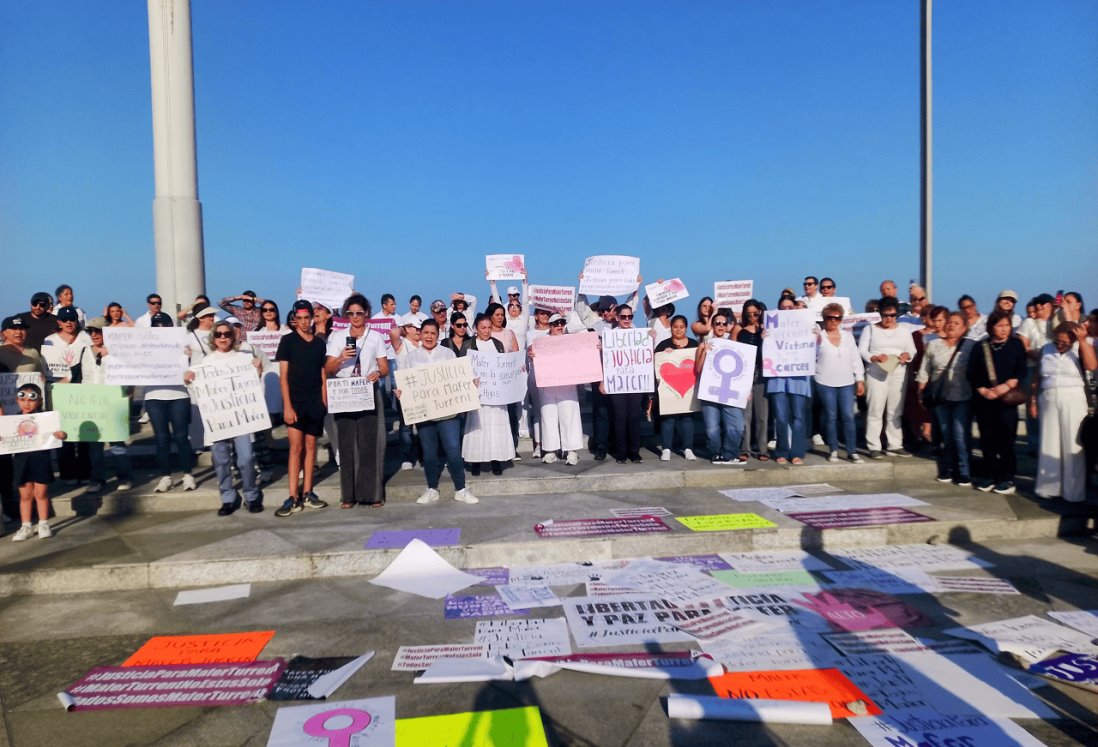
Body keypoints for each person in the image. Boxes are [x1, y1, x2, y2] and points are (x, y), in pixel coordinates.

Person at [184, 321, 264, 515]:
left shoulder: (244, 358)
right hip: (218, 418)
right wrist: (187, 378)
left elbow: (254, 382)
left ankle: (251, 495)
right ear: (213, 338)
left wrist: (258, 370)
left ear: (233, 336)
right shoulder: (206, 362)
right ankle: (227, 496)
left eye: (227, 334)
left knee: (246, 458)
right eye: (218, 334)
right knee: (220, 459)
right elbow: (196, 387)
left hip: (241, 417)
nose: (222, 338)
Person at [396, 319, 478, 505]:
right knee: (429, 452)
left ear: (438, 335)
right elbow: (404, 382)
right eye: (426, 333)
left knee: (453, 450)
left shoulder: (447, 354)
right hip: (424, 413)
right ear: (420, 334)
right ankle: (432, 488)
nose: (429, 337)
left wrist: (469, 384)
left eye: (433, 333)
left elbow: (458, 377)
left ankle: (461, 489)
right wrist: (401, 392)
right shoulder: (411, 357)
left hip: (448, 413)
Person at [324, 293, 388, 509]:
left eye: (359, 313)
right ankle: (348, 495)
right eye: (350, 313)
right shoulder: (337, 336)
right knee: (347, 443)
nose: (354, 317)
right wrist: (341, 357)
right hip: (344, 391)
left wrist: (377, 374)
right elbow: (328, 368)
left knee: (370, 443)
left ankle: (372, 494)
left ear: (367, 313)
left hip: (368, 390)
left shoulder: (376, 336)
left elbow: (385, 367)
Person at [1031, 321, 1097, 502]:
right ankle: (1048, 488)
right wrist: (1033, 401)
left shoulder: (1080, 347)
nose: (1060, 345)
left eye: (1065, 342)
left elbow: (1092, 366)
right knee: (1049, 442)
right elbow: (1037, 376)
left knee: (1072, 446)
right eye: (1058, 341)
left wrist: (1082, 341)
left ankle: (1073, 492)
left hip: (1074, 398)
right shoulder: (1046, 349)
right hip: (1049, 396)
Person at [274, 300, 330, 516]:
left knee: (311, 447)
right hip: (295, 403)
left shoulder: (319, 344)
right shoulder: (287, 341)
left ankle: (308, 492)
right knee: (295, 448)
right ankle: (292, 496)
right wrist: (287, 406)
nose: (305, 322)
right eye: (301, 318)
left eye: (308, 318)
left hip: (315, 402)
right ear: (295, 319)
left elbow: (322, 374)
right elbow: (283, 377)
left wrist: (324, 401)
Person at [967, 309, 1028, 494]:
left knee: (1006, 440)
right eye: (1000, 325)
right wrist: (983, 390)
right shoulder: (981, 346)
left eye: (1007, 325)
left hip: (1006, 400)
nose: (1004, 329)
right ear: (991, 326)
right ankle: (990, 475)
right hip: (985, 401)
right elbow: (972, 372)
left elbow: (1021, 370)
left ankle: (1007, 477)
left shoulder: (1016, 344)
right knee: (987, 439)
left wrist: (1007, 386)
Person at [75, 317, 134, 493]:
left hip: (113, 403)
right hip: (92, 404)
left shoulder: (118, 351)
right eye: (90, 331)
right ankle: (97, 479)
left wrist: (111, 356)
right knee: (95, 446)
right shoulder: (85, 351)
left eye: (98, 331)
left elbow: (127, 375)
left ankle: (124, 476)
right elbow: (82, 376)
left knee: (117, 444)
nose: (94, 335)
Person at [917, 312, 976, 486]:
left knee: (959, 434)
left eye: (956, 323)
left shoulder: (971, 346)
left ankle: (964, 471)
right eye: (949, 322)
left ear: (965, 328)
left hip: (963, 396)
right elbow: (924, 370)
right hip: (940, 396)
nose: (951, 325)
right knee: (945, 434)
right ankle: (947, 468)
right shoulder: (933, 344)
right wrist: (921, 391)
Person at [8, 383, 67, 541]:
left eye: (31, 399)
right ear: (17, 400)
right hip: (21, 460)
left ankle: (43, 523)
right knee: (25, 495)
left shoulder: (47, 419)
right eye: (23, 399)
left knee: (41, 493)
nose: (27, 403)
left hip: (41, 459)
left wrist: (61, 434)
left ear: (39, 401)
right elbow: (6, 437)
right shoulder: (12, 421)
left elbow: (62, 434)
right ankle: (26, 525)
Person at [859, 297, 916, 458]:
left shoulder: (904, 331)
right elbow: (862, 350)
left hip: (898, 371)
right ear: (879, 314)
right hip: (877, 371)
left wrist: (907, 355)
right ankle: (874, 445)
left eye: (892, 315)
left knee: (895, 409)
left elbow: (912, 350)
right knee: (875, 409)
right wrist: (875, 358)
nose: (889, 319)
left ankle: (894, 444)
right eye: (885, 315)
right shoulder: (870, 329)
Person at [43, 306, 93, 484]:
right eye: (65, 320)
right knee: (64, 434)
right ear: (59, 322)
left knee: (84, 435)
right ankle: (68, 473)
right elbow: (45, 369)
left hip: (83, 392)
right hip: (59, 393)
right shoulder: (49, 341)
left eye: (72, 319)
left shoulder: (86, 339)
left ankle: (86, 473)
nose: (69, 323)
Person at [463, 313, 513, 475]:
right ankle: (476, 461)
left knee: (495, 426)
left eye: (489, 328)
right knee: (479, 426)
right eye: (483, 328)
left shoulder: (497, 344)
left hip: (496, 394)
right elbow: (462, 368)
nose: (486, 331)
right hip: (478, 394)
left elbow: (504, 365)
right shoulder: (469, 345)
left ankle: (496, 459)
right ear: (476, 328)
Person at [529, 314, 583, 464]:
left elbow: (586, 344)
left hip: (567, 385)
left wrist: (594, 347)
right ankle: (550, 450)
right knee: (548, 416)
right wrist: (531, 353)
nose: (559, 326)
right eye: (556, 323)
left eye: (562, 323)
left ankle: (571, 450)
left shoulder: (571, 340)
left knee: (569, 416)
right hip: (547, 385)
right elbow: (530, 350)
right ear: (550, 326)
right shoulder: (541, 341)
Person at [766, 296, 812, 465]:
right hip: (778, 379)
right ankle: (782, 451)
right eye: (783, 308)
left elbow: (815, 352)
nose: (787, 311)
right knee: (781, 417)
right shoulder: (770, 328)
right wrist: (764, 338)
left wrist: (815, 337)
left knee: (799, 416)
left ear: (795, 309)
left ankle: (797, 452)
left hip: (798, 379)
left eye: (790, 307)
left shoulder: (808, 328)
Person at [694, 311, 745, 465]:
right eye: (717, 323)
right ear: (713, 326)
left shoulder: (734, 344)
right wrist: (704, 352)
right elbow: (697, 369)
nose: (721, 326)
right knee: (712, 428)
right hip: (709, 391)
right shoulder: (703, 344)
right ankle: (716, 453)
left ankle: (730, 453)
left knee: (736, 425)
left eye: (724, 323)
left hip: (729, 391)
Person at [653, 314, 698, 460]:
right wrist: (663, 354)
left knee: (687, 418)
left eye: (682, 327)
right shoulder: (663, 344)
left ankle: (688, 448)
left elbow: (700, 362)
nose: (678, 330)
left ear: (686, 328)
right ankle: (666, 448)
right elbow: (656, 363)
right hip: (669, 390)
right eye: (675, 327)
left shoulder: (693, 344)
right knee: (668, 418)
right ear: (671, 327)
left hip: (688, 389)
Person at [733, 300, 768, 461]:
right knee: (745, 415)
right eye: (749, 314)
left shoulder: (766, 330)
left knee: (762, 416)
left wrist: (765, 338)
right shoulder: (739, 330)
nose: (753, 317)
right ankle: (745, 449)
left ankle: (762, 449)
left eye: (756, 313)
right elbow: (731, 349)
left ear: (760, 312)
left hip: (762, 375)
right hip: (744, 375)